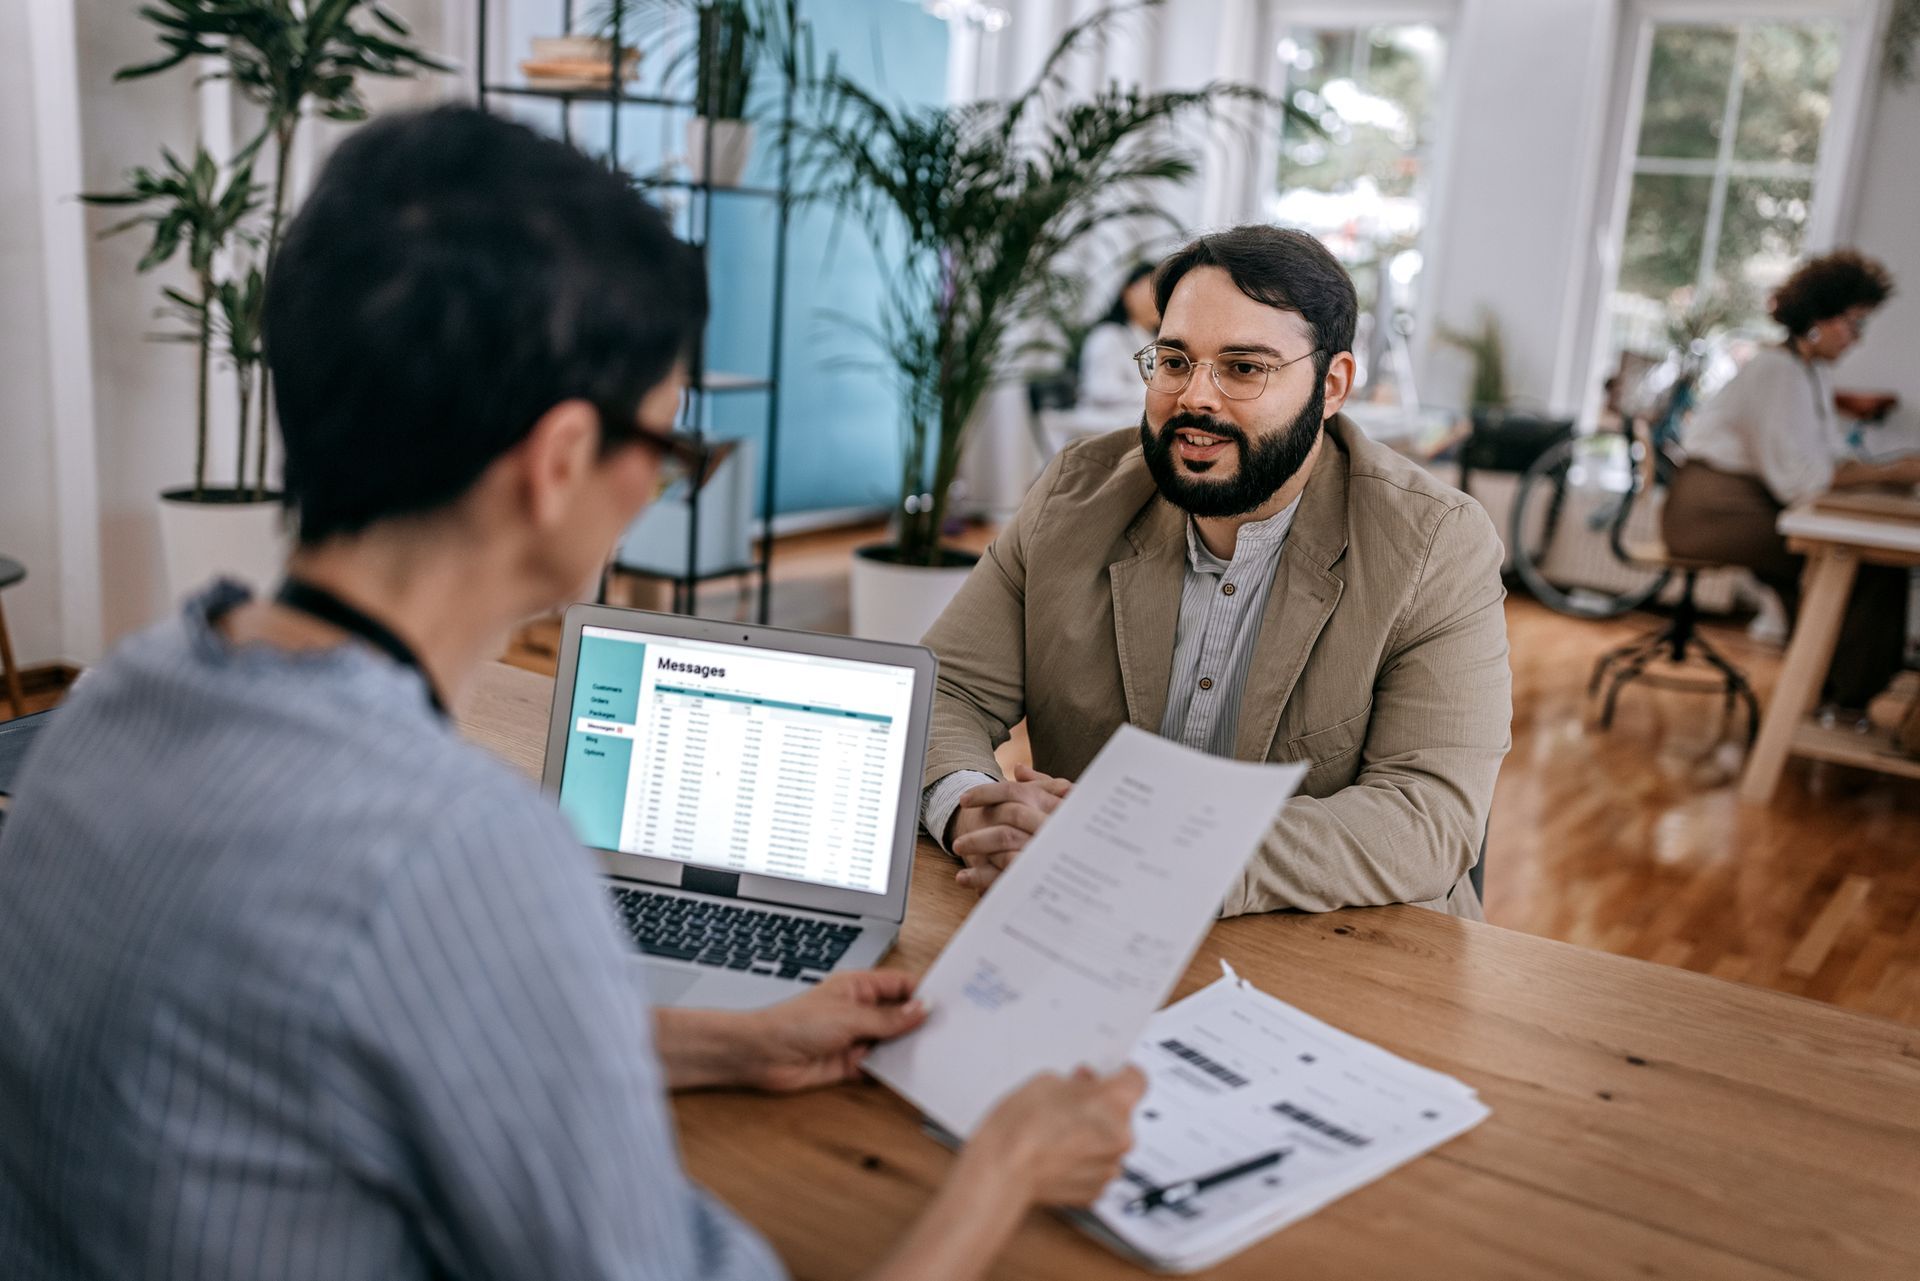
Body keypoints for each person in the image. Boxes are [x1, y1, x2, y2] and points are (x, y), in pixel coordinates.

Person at [0, 107, 1143, 1281]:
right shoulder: (459, 853)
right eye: (666, 445)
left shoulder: (109, 707)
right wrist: (1002, 1171)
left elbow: (315, 1045)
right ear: (556, 467)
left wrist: (718, 1043)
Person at [921, 225, 1510, 918]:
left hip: (1338, 954)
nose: (1195, 398)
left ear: (1332, 385)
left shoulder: (1435, 542)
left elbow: (1427, 818)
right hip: (1079, 925)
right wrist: (969, 809)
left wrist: (1149, 854)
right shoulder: (1075, 495)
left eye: (1244, 367)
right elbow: (943, 689)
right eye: (1174, 360)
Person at [1662, 250, 1918, 715]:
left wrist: (1883, 473)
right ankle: (1842, 697)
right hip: (1711, 512)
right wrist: (1891, 472)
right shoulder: (1775, 371)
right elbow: (1802, 483)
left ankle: (1833, 688)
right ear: (1820, 318)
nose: (1858, 339)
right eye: (1854, 324)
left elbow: (1829, 463)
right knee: (1857, 560)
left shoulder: (1810, 374)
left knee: (1862, 561)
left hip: (1747, 505)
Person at [1078, 261, 1159, 410]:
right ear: (1127, 293)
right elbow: (1101, 390)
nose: (1157, 300)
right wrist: (1158, 394)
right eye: (1150, 290)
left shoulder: (1155, 340)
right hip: (1107, 423)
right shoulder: (1107, 336)